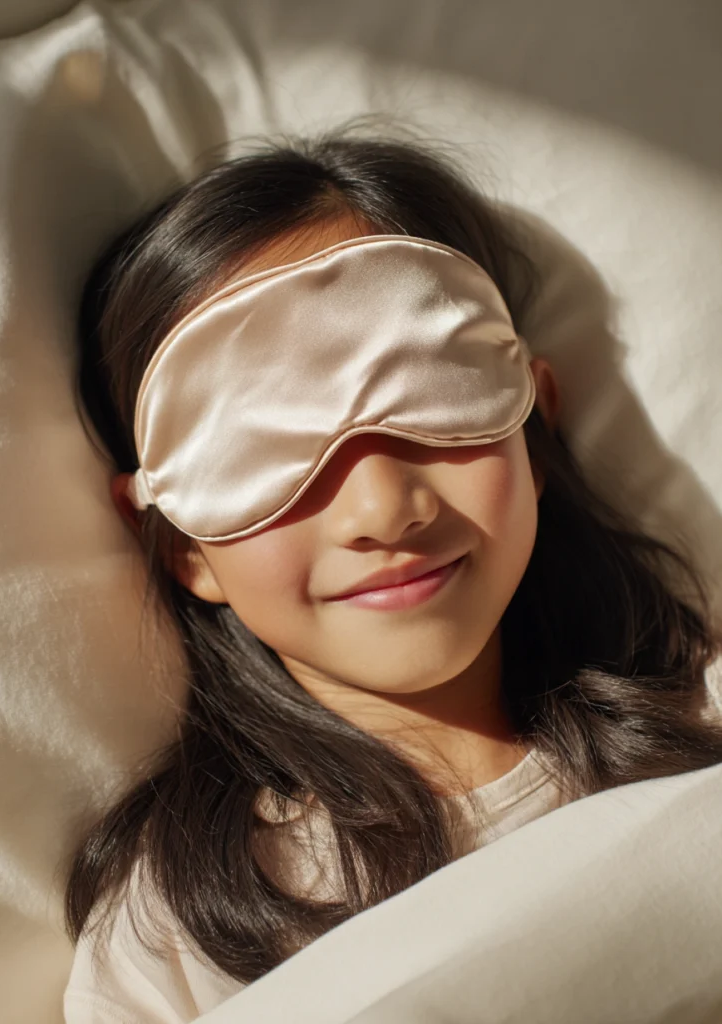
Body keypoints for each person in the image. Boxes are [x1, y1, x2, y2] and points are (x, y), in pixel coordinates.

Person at [62, 127, 722, 1024]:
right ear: (183, 543)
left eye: (433, 393)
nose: (384, 511)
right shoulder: (174, 938)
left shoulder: (705, 707)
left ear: (534, 421)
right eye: (265, 446)